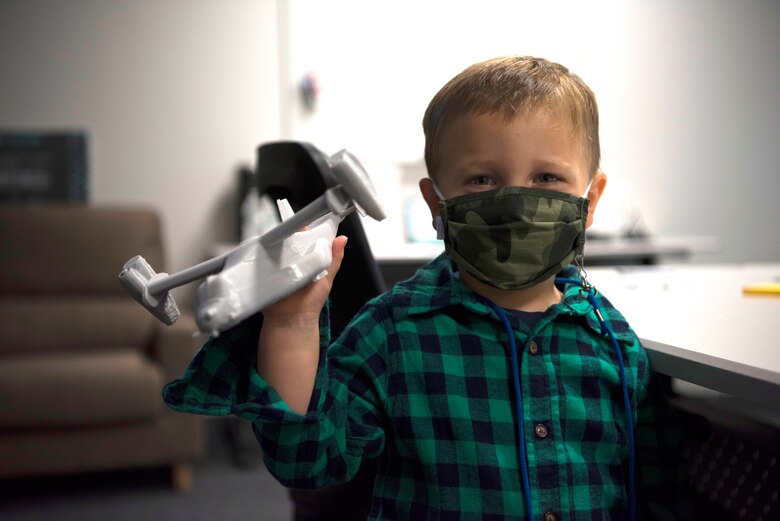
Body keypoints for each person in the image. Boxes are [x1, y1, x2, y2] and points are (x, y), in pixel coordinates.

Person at [163, 56, 692, 520]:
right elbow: (308, 461)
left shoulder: (613, 342)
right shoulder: (391, 333)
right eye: (482, 179)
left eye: (547, 178)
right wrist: (292, 323)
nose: (513, 201)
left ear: (591, 198)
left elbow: (655, 483)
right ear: (437, 203)